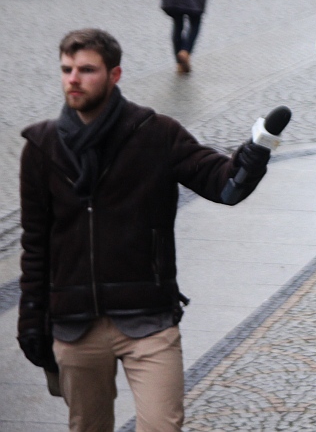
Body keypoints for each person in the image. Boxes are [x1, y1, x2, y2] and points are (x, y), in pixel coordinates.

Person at [17, 28, 274, 432]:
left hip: (148, 320)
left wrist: (255, 152)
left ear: (114, 75)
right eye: (67, 69)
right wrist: (31, 318)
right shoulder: (42, 146)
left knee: (162, 426)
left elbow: (223, 185)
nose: (73, 79)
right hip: (75, 322)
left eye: (86, 70)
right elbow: (35, 242)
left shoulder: (155, 133)